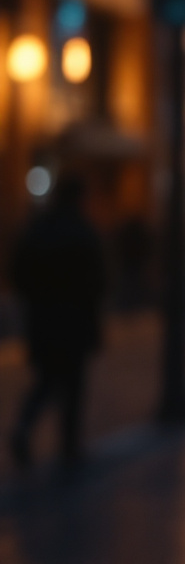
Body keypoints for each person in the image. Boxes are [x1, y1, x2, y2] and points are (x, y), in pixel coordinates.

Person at [9, 174, 106, 468]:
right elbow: (97, 282)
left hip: (43, 320)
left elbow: (18, 272)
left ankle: (25, 427)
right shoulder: (82, 232)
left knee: (47, 380)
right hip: (74, 321)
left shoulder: (39, 229)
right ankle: (69, 447)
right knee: (72, 386)